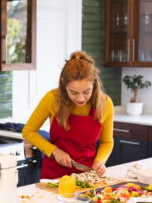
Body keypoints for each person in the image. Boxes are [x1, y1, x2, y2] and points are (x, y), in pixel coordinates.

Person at [22, 51, 114, 179]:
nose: (81, 99)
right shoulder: (52, 98)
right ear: (63, 82)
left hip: (87, 175)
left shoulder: (105, 103)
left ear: (94, 83)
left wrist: (100, 161)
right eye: (74, 92)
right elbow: (28, 132)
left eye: (87, 91)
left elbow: (107, 142)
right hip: (54, 176)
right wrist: (54, 151)